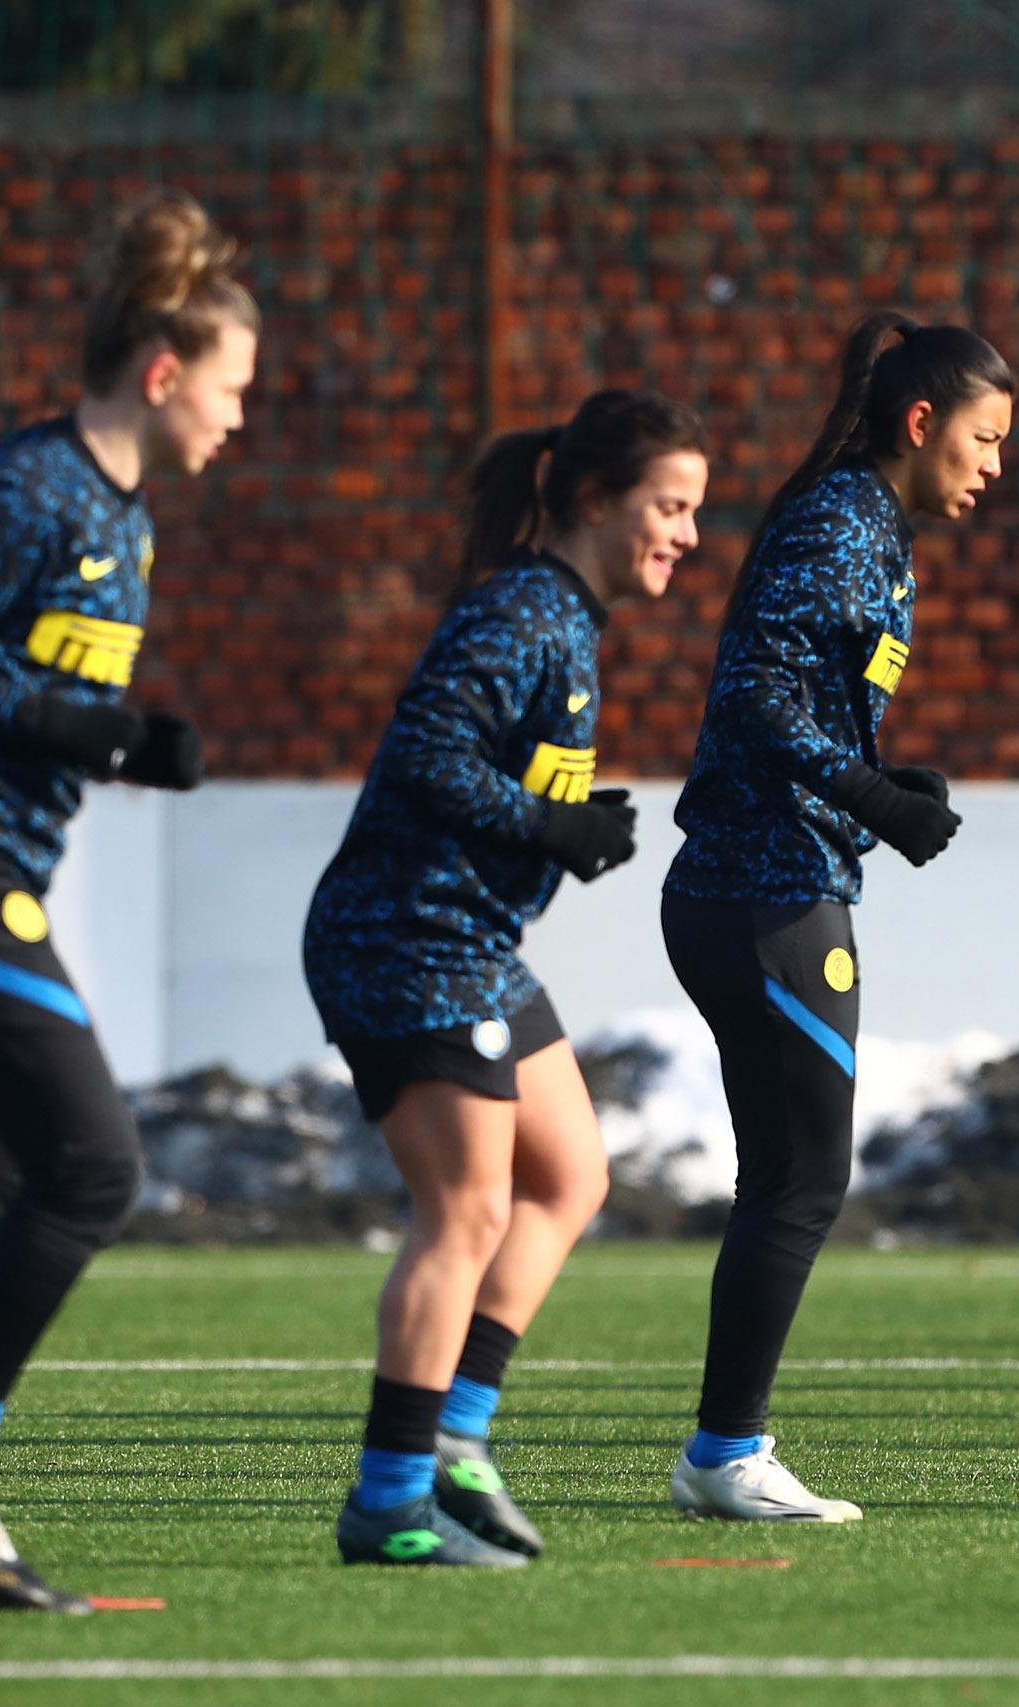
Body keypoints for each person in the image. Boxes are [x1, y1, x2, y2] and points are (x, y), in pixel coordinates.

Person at [0, 193, 255, 1615]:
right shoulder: (30, 487)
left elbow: (40, 705)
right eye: (231, 387)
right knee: (95, 1166)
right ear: (162, 373)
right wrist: (72, 727)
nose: (239, 417)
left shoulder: (124, 520)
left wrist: (125, 740)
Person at [304, 389, 708, 1564]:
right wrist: (547, 821)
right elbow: (426, 752)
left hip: (469, 940)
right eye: (667, 506)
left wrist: (557, 824)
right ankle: (390, 1497)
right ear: (594, 500)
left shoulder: (565, 617)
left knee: (571, 1175)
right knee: (467, 1207)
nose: (684, 532)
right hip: (405, 938)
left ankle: (457, 1443)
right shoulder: (526, 612)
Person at [663, 314, 1013, 1523]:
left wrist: (882, 776)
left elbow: (800, 698)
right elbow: (757, 696)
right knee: (805, 1175)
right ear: (922, 425)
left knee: (795, 1173)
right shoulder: (843, 521)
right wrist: (866, 790)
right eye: (984, 437)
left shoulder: (869, 527)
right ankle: (724, 1453)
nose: (995, 464)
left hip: (776, 877)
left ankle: (723, 1447)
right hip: (762, 888)